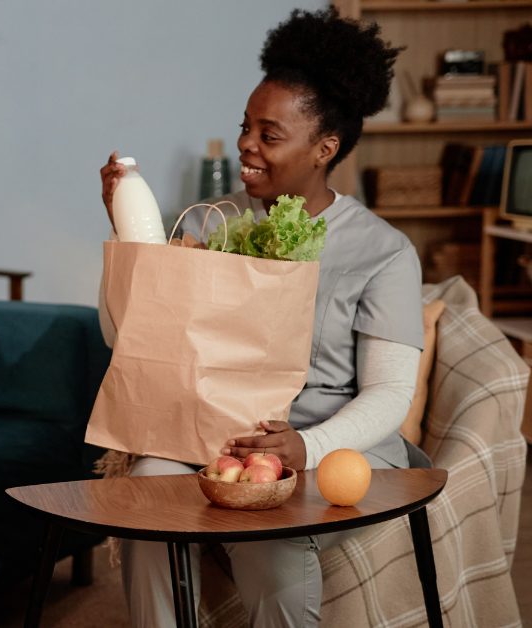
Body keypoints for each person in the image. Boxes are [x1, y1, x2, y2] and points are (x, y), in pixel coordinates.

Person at [96, 8, 423, 628]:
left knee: (269, 534)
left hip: (333, 445)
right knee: (145, 499)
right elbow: (129, 342)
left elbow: (390, 393)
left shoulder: (383, 252)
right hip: (214, 433)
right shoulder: (205, 223)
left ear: (325, 148)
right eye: (245, 127)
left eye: (269, 135)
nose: (246, 144)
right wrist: (123, 235)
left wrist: (307, 445)